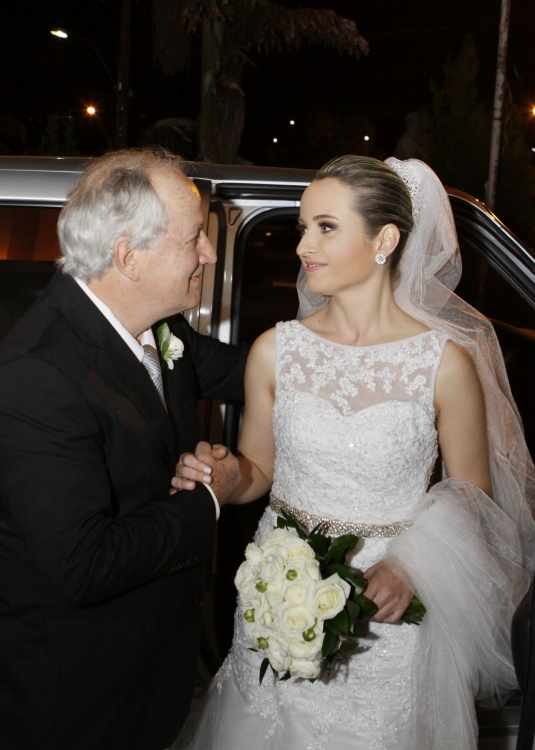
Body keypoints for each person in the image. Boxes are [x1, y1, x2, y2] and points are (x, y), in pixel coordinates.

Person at [174, 156, 535, 750]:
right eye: (303, 228)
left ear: (384, 241)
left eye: (325, 227)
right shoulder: (275, 351)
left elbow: (473, 493)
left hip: (384, 614)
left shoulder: (444, 364)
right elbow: (257, 471)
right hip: (276, 595)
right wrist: (224, 475)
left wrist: (409, 567)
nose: (302, 246)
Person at [0, 149, 248, 750]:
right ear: (128, 256)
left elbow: (252, 372)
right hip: (78, 704)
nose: (210, 254)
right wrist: (210, 498)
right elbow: (84, 564)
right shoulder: (39, 375)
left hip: (148, 680)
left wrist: (371, 349)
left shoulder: (158, 327)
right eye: (194, 238)